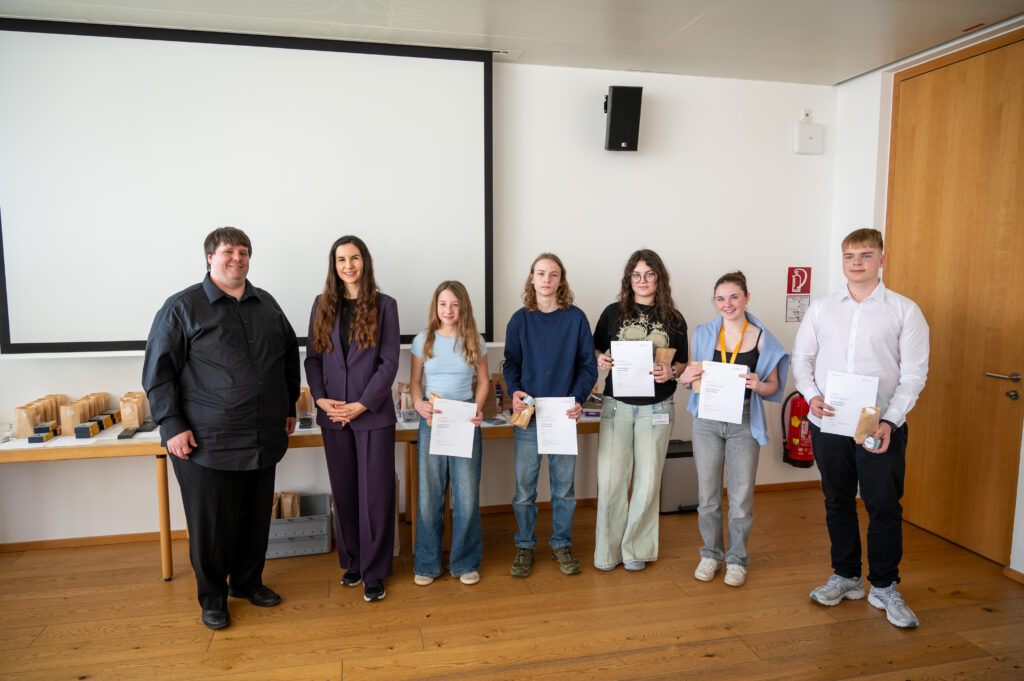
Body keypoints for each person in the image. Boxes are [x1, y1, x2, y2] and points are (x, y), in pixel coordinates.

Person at [143, 226, 300, 631]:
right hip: (206, 442)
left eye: (243, 251)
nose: (237, 258)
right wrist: (171, 424)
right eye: (228, 251)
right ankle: (212, 597)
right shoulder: (182, 307)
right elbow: (159, 371)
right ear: (210, 257)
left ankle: (247, 583)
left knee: (254, 519)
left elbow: (287, 354)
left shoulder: (267, 304)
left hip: (262, 437)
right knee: (211, 527)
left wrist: (287, 407)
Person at [792, 228, 929, 628]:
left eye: (866, 255)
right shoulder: (822, 309)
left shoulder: (905, 311)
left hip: (880, 424)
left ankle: (884, 586)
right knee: (837, 500)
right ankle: (846, 576)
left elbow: (914, 376)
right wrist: (811, 395)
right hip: (829, 420)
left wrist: (890, 421)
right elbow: (801, 358)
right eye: (849, 256)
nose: (856, 263)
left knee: (883, 504)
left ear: (881, 260)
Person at [304, 235, 400, 603]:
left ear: (365, 262)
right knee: (344, 493)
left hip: (372, 414)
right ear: (334, 265)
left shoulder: (385, 305)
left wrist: (361, 405)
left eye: (355, 258)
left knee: (375, 495)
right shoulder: (321, 304)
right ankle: (354, 562)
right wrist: (320, 399)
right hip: (333, 415)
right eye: (341, 259)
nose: (348, 265)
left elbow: (389, 363)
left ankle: (375, 571)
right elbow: (313, 359)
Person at [680, 271, 790, 587]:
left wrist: (759, 384)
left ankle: (737, 560)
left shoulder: (762, 337)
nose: (727, 304)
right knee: (708, 496)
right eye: (720, 298)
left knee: (741, 499)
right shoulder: (703, 333)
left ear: (746, 298)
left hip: (744, 421)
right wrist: (686, 378)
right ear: (715, 302)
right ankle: (711, 554)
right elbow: (690, 379)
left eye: (733, 297)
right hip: (707, 422)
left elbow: (773, 386)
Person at [592, 249, 688, 572]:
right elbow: (594, 348)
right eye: (636, 274)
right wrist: (600, 358)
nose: (642, 280)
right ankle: (607, 553)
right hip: (616, 407)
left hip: (657, 409)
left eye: (649, 274)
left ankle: (636, 550)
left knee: (647, 483)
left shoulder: (675, 319)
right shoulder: (612, 313)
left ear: (659, 278)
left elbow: (682, 362)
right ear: (628, 279)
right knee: (611, 481)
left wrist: (671, 371)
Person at [503, 253, 597, 577]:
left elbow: (588, 366)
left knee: (564, 491)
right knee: (524, 491)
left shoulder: (576, 319)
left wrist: (578, 398)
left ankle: (561, 544)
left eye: (553, 274)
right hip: (529, 415)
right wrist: (514, 389)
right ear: (532, 278)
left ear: (561, 280)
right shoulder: (519, 320)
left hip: (562, 416)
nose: (546, 279)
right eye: (540, 273)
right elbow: (511, 363)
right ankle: (525, 546)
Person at [409, 281, 489, 586]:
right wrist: (418, 403)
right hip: (432, 421)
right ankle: (427, 564)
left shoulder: (475, 340)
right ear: (436, 306)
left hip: (464, 419)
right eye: (443, 304)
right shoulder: (423, 340)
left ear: (463, 307)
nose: (449, 310)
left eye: (455, 304)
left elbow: (483, 381)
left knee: (466, 495)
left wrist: (477, 408)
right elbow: (415, 382)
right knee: (430, 495)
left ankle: (465, 562)